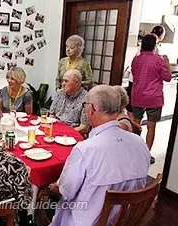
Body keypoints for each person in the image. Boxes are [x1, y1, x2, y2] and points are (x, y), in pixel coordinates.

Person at [48, 85, 150, 226]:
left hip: (85, 221)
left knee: (47, 196)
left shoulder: (85, 149)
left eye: (85, 105)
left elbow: (66, 191)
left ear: (92, 109)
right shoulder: (140, 143)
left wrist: (52, 187)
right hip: (125, 220)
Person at [131, 34, 171, 164]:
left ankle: (134, 151)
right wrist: (167, 64)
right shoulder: (158, 60)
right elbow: (168, 77)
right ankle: (146, 154)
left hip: (138, 95)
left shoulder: (136, 59)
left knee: (136, 124)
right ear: (154, 45)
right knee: (151, 126)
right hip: (154, 97)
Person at [50, 69, 88, 133]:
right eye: (63, 81)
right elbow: (51, 114)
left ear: (76, 83)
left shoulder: (86, 98)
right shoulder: (60, 93)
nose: (63, 84)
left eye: (66, 81)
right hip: (55, 129)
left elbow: (84, 127)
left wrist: (65, 132)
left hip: (72, 133)